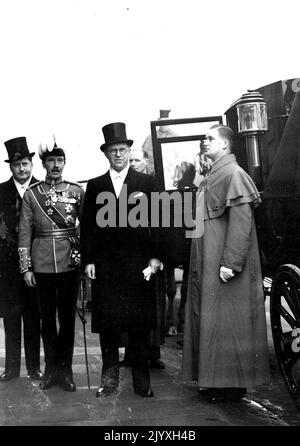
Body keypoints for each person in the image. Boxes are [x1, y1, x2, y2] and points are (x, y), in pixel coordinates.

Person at [183, 124, 270, 402]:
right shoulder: (214, 174)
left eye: (210, 138)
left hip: (222, 261)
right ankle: (218, 382)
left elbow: (241, 222)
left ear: (226, 145)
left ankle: (229, 385)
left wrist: (231, 263)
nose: (204, 141)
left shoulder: (233, 173)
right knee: (216, 321)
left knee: (228, 323)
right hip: (209, 258)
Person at [81, 122, 163, 398]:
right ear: (106, 154)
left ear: (129, 151)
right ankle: (110, 379)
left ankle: (142, 381)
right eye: (113, 150)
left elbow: (158, 222)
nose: (118, 154)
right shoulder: (95, 186)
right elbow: (88, 227)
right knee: (108, 325)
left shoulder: (147, 183)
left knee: (138, 324)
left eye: (122, 149)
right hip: (106, 267)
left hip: (138, 265)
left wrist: (155, 257)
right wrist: (89, 260)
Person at [18, 140, 84, 392]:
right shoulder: (32, 194)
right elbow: (25, 232)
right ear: (43, 164)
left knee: (67, 321)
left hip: (69, 263)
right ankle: (50, 370)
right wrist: (26, 267)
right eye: (51, 161)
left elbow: (85, 229)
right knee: (46, 320)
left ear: (65, 163)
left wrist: (85, 260)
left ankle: (65, 371)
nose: (55, 165)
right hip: (42, 264)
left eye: (60, 161)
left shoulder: (77, 191)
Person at [0, 137, 42, 382]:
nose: (22, 169)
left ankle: (34, 367)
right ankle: (12, 368)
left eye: (25, 163)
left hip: (36, 265)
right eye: (17, 165)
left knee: (33, 315)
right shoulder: (1, 191)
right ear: (11, 167)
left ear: (31, 164)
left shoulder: (42, 189)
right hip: (7, 266)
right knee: (11, 315)